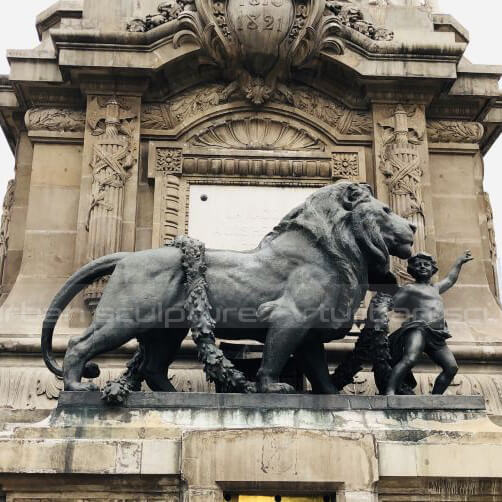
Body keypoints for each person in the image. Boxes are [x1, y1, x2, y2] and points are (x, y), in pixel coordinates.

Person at [386, 250, 473, 395]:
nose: (422, 267)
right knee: (409, 359)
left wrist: (459, 262)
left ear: (432, 269)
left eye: (426, 264)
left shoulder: (436, 288)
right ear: (412, 270)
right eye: (418, 265)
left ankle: (436, 397)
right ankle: (390, 391)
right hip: (418, 329)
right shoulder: (409, 288)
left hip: (437, 334)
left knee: (451, 367)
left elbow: (450, 279)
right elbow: (391, 304)